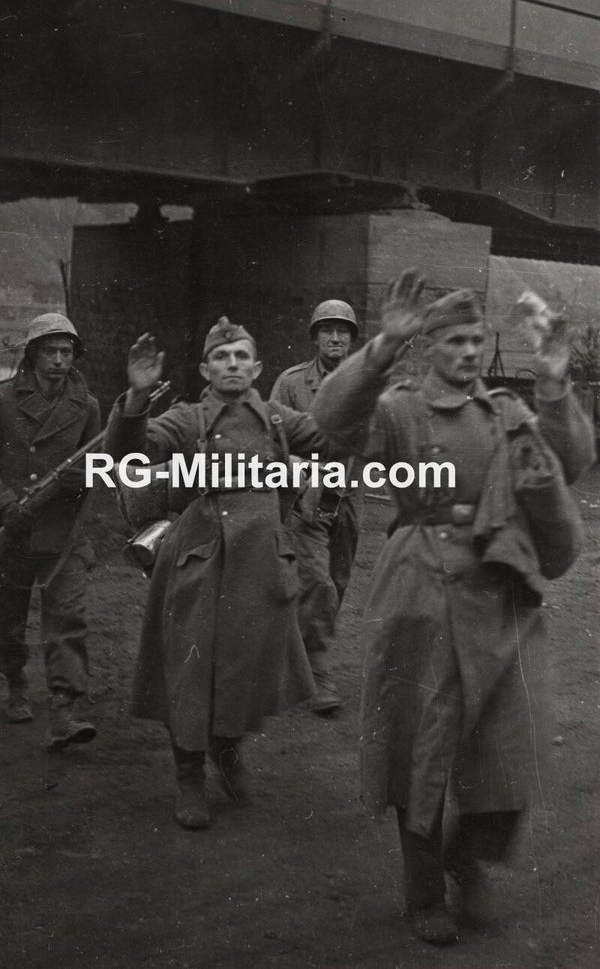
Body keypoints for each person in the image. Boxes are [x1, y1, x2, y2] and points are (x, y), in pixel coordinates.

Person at [311, 272, 594, 944]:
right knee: (422, 747)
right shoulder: (401, 408)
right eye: (456, 341)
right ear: (429, 347)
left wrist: (554, 384)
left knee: (510, 743)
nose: (470, 352)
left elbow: (573, 462)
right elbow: (329, 421)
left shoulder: (506, 410)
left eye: (477, 340)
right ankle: (423, 890)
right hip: (421, 590)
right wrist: (382, 346)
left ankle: (468, 860)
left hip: (503, 588)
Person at [104, 317, 325, 830]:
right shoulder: (188, 418)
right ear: (206, 368)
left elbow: (331, 433)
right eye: (222, 358)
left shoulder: (276, 419)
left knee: (240, 669)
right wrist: (136, 401)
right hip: (197, 562)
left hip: (259, 567)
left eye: (242, 357)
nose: (232, 365)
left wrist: (363, 384)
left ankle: (227, 754)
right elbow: (129, 454)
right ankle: (188, 777)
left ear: (258, 367)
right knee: (190, 669)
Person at [0, 313, 99, 749]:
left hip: (65, 529)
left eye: (66, 352)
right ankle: (15, 679)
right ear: (33, 355)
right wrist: (6, 505)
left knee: (67, 618)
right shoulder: (3, 401)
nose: (59, 360)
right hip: (14, 526)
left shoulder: (88, 406)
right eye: (50, 351)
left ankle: (64, 707)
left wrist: (88, 475)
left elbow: (103, 465)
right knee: (7, 617)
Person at [270, 299, 360, 713]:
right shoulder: (291, 383)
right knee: (317, 582)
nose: (336, 337)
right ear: (315, 338)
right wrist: (296, 468)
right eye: (328, 330)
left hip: (346, 497)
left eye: (343, 331)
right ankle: (318, 676)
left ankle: (297, 658)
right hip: (305, 499)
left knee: (336, 582)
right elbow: (273, 436)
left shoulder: (365, 382)